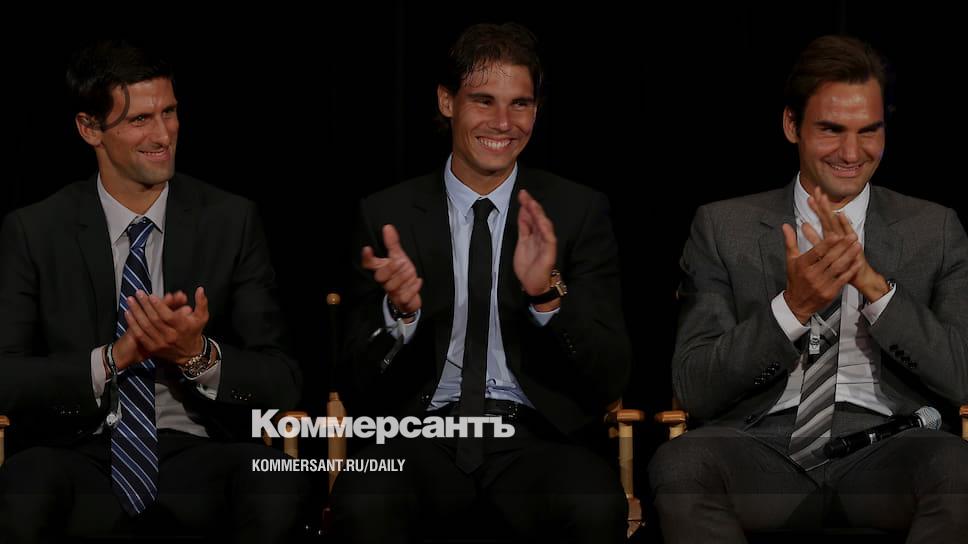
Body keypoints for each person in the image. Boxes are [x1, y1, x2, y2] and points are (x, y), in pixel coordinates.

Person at [648, 34, 968, 542]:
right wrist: (792, 308)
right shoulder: (722, 226)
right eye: (831, 129)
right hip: (761, 447)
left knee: (957, 468)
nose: (851, 152)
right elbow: (695, 386)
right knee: (681, 464)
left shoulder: (935, 228)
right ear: (791, 125)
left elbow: (960, 376)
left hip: (887, 449)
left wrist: (877, 291)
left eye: (869, 131)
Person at [331, 22, 631, 544]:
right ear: (447, 102)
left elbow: (610, 373)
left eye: (520, 104)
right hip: (419, 433)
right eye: (484, 100)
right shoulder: (387, 214)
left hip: (536, 438)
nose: (503, 123)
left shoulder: (575, 211)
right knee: (364, 502)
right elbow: (354, 376)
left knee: (593, 504)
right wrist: (400, 316)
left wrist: (546, 297)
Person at [0, 39, 310, 542]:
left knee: (274, 481)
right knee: (24, 486)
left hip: (197, 452)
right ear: (90, 129)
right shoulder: (35, 231)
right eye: (140, 119)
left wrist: (196, 355)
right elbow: (7, 376)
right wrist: (112, 359)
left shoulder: (230, 221)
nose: (163, 134)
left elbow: (282, 379)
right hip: (77, 453)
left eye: (169, 112)